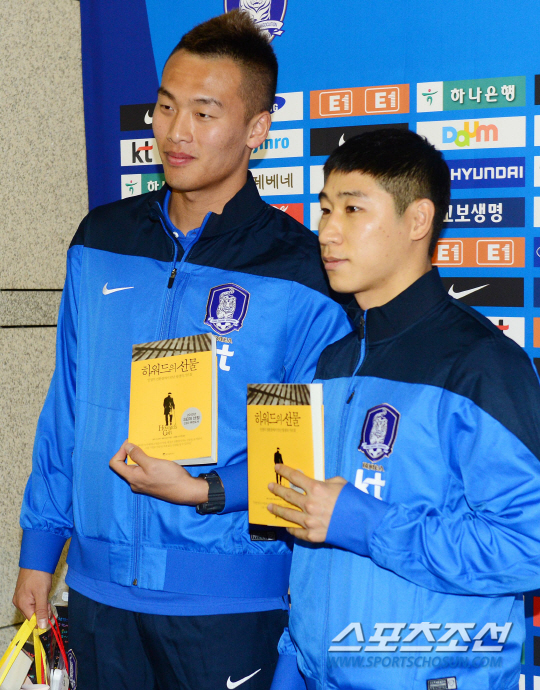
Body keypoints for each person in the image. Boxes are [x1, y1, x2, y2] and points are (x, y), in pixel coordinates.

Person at [13, 11, 351, 690]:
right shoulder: (101, 240)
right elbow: (68, 408)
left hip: (231, 606)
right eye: (166, 107)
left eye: (204, 112)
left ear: (257, 129)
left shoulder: (299, 274)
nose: (176, 132)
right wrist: (40, 549)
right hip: (100, 595)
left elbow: (301, 460)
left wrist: (206, 492)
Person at [268, 128, 540, 690]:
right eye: (325, 209)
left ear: (418, 220)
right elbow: (311, 529)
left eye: (352, 209)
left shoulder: (482, 364)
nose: (328, 231)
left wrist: (366, 523)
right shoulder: (332, 360)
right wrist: (293, 662)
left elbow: (527, 547)